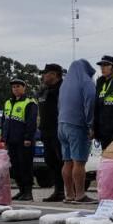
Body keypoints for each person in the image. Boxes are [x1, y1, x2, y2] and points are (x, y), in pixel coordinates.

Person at [58, 59, 97, 204]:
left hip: (61, 125)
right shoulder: (86, 82)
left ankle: (69, 195)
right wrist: (91, 124)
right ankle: (80, 195)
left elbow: (59, 105)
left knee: (67, 161)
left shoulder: (64, 84)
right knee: (79, 162)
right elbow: (90, 101)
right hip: (77, 125)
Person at [1, 79, 37, 201]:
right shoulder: (8, 102)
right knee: (15, 167)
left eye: (18, 86)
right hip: (11, 141)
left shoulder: (29, 102)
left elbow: (31, 122)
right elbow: (4, 121)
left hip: (23, 141)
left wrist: (28, 138)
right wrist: (4, 138)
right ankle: (21, 190)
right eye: (13, 87)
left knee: (25, 166)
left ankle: (28, 192)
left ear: (24, 88)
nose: (15, 89)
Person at [37, 63, 65, 201]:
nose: (43, 76)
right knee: (50, 161)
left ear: (54, 74)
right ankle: (58, 191)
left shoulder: (63, 88)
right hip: (46, 131)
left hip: (58, 130)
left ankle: (64, 191)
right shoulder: (45, 90)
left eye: (45, 73)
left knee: (61, 161)